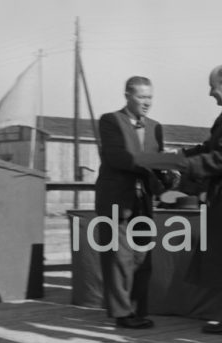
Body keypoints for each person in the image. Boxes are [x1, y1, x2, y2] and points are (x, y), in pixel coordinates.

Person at [141, 65, 222, 333]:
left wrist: (188, 165)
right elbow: (215, 148)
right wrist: (182, 155)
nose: (211, 94)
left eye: (213, 87)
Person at [95, 76, 172, 329]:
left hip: (143, 201)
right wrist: (158, 162)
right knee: (119, 258)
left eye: (150, 97)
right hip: (116, 200)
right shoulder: (110, 121)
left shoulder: (156, 127)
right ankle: (122, 313)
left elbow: (158, 165)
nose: (147, 102)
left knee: (142, 258)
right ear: (127, 95)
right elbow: (118, 157)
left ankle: (138, 310)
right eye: (141, 97)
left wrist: (171, 176)